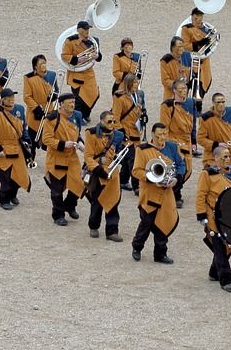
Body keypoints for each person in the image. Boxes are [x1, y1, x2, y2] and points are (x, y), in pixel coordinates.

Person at [131, 122, 179, 264]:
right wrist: (152, 178)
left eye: (164, 134)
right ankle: (137, 247)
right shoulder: (142, 150)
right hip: (150, 193)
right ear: (152, 134)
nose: (162, 138)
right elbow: (136, 170)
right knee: (146, 223)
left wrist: (176, 178)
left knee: (163, 224)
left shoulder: (171, 147)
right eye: (159, 135)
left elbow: (181, 165)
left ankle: (160, 253)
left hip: (166, 193)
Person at [196, 145, 231, 291]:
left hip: (230, 216)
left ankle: (214, 271)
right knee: (220, 247)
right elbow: (201, 195)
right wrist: (202, 215)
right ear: (216, 158)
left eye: (228, 156)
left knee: (229, 246)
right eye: (224, 156)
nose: (228, 159)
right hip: (214, 216)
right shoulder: (207, 174)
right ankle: (226, 279)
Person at [41, 92, 85, 225]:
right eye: (68, 103)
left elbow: (77, 133)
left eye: (73, 103)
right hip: (56, 158)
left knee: (79, 183)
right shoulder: (52, 119)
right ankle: (58, 214)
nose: (72, 105)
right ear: (61, 105)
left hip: (72, 157)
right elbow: (46, 139)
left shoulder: (77, 115)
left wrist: (80, 142)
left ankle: (70, 205)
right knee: (57, 190)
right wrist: (62, 144)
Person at [0, 87, 31, 210]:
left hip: (17, 148)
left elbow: (24, 128)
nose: (11, 100)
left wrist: (28, 142)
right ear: (2, 100)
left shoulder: (20, 109)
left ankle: (13, 195)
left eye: (12, 97)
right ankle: (4, 200)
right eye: (8, 98)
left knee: (19, 175)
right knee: (5, 178)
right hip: (3, 149)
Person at [83, 111, 125, 241]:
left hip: (113, 173)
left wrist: (120, 157)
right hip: (98, 172)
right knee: (97, 202)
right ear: (101, 121)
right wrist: (98, 169)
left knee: (113, 201)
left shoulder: (118, 135)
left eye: (113, 121)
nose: (112, 124)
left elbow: (118, 151)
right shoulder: (91, 133)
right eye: (109, 122)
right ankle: (94, 226)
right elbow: (88, 156)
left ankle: (112, 231)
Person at [160, 78, 197, 206]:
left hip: (187, 139)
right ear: (174, 91)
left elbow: (194, 122)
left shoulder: (191, 102)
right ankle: (176, 194)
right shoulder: (168, 105)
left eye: (185, 89)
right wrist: (168, 143)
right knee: (178, 167)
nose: (184, 91)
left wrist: (194, 141)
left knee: (189, 169)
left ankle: (174, 190)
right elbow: (164, 125)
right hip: (174, 139)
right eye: (181, 89)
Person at [62, 21, 101, 121]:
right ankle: (79, 117)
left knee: (95, 94)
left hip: (88, 73)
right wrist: (77, 59)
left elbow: (99, 56)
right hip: (76, 74)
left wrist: (97, 56)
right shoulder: (70, 41)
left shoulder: (94, 41)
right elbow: (64, 56)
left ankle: (86, 113)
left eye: (88, 29)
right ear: (79, 30)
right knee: (79, 99)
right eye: (84, 29)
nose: (87, 31)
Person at [199, 91, 231, 177]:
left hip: (229, 151)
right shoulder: (206, 118)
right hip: (213, 153)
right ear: (213, 103)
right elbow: (200, 139)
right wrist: (217, 144)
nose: (221, 104)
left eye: (223, 102)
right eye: (218, 102)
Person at [22, 54, 56, 159]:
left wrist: (54, 96)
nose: (43, 65)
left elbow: (56, 90)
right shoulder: (29, 78)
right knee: (33, 136)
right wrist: (36, 108)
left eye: (44, 62)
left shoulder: (52, 75)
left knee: (50, 135)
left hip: (49, 109)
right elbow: (27, 97)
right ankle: (31, 156)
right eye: (40, 63)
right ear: (35, 66)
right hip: (35, 112)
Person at [181, 7, 214, 100]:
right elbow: (185, 46)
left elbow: (212, 45)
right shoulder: (186, 28)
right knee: (186, 82)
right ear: (193, 16)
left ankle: (198, 102)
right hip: (190, 59)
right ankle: (184, 101)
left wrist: (207, 45)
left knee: (203, 81)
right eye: (197, 15)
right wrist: (199, 44)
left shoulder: (208, 29)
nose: (199, 17)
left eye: (201, 15)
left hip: (204, 59)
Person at [160, 36, 190, 103]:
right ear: (173, 48)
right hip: (171, 96)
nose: (181, 49)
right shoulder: (166, 60)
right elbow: (165, 81)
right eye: (179, 47)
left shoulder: (186, 57)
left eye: (182, 46)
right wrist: (178, 85)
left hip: (184, 96)